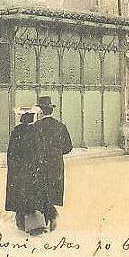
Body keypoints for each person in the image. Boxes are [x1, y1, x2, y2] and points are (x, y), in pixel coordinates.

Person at [5, 108, 49, 235]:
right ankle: (38, 222)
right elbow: (42, 152)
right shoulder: (37, 131)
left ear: (21, 119)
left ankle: (21, 222)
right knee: (36, 195)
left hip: (20, 171)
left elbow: (11, 154)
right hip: (35, 169)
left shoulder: (16, 132)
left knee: (20, 195)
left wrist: (13, 169)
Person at [33, 96, 73, 232]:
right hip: (56, 165)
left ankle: (48, 217)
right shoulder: (61, 127)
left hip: (40, 165)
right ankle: (52, 216)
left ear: (41, 112)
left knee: (41, 190)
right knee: (52, 190)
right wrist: (56, 152)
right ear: (51, 111)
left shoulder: (36, 127)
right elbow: (68, 147)